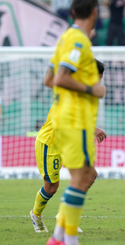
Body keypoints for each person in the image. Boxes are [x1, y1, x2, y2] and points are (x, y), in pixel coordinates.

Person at [44, 0, 106, 245]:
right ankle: (70, 243)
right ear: (95, 12)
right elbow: (60, 78)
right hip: (75, 120)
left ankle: (57, 238)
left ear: (72, 12)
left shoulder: (64, 38)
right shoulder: (80, 42)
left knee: (82, 177)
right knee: (83, 178)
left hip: (62, 119)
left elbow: (49, 79)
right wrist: (92, 89)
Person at [29, 60, 107, 235]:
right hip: (51, 142)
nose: (100, 81)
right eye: (99, 77)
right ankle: (36, 214)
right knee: (51, 187)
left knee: (90, 174)